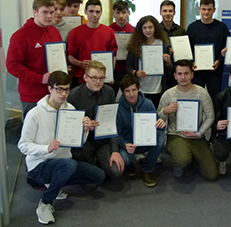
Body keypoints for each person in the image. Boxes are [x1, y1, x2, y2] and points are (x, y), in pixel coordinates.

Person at [17, 71, 105, 224]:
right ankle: (45, 203)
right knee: (69, 165)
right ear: (50, 89)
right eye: (59, 89)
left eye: (67, 89)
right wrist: (46, 148)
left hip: (63, 162)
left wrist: (84, 131)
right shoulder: (35, 114)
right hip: (39, 164)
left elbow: (77, 142)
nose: (63, 93)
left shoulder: (70, 109)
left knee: (98, 176)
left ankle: (54, 182)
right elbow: (23, 145)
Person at [157, 59, 219, 181]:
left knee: (212, 175)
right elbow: (158, 116)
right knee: (182, 160)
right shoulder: (169, 94)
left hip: (197, 136)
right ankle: (182, 163)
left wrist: (199, 133)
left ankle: (195, 156)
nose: (183, 77)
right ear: (175, 76)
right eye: (179, 74)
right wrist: (165, 111)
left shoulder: (201, 93)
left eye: (186, 73)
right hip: (176, 135)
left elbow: (210, 116)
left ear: (192, 74)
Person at [6, 0, 62, 119]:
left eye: (52, 12)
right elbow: (12, 66)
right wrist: (40, 78)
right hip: (32, 96)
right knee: (33, 134)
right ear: (35, 12)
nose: (49, 16)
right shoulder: (20, 36)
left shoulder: (54, 32)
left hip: (54, 92)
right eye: (45, 12)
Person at [67, 61, 125, 179]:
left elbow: (113, 121)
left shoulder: (108, 92)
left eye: (101, 78)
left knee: (116, 171)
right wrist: (84, 127)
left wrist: (115, 150)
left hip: (102, 140)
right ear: (85, 77)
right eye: (94, 78)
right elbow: (68, 127)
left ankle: (99, 162)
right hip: (84, 142)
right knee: (90, 184)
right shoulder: (74, 95)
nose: (98, 82)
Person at [116, 73, 166, 187]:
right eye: (127, 91)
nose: (131, 94)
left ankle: (147, 169)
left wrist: (161, 124)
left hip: (145, 141)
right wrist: (124, 144)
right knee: (125, 159)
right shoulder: (117, 108)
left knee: (161, 138)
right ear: (123, 92)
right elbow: (116, 134)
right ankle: (129, 164)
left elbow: (158, 124)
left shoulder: (148, 104)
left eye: (134, 89)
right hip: (129, 143)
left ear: (139, 88)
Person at [186, 0, 230, 99]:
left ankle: (213, 116)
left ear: (214, 10)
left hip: (215, 71)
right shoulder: (192, 28)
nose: (206, 12)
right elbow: (187, 49)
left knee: (215, 99)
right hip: (196, 71)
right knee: (196, 98)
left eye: (209, 9)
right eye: (204, 9)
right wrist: (191, 62)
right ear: (199, 9)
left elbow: (227, 48)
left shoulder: (222, 27)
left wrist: (219, 60)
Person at [67, 0, 118, 84]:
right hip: (83, 79)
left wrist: (110, 74)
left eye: (97, 12)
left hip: (102, 79)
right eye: (91, 11)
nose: (94, 14)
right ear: (85, 12)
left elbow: (113, 56)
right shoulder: (75, 32)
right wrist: (80, 63)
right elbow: (70, 56)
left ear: (101, 13)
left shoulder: (109, 31)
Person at [126, 15, 172, 108]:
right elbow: (128, 67)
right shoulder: (135, 45)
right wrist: (135, 73)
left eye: (150, 27)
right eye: (145, 28)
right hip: (141, 87)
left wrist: (168, 62)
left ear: (155, 28)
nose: (148, 30)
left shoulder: (163, 44)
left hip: (158, 87)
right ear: (140, 29)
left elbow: (170, 69)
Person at [109, 0, 135, 94]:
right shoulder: (109, 30)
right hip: (113, 70)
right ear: (114, 14)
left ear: (128, 13)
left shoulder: (134, 31)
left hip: (129, 70)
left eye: (123, 12)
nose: (121, 16)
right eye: (118, 12)